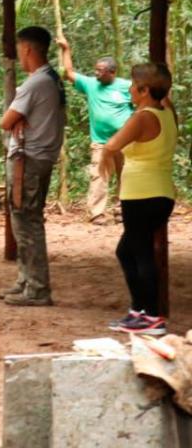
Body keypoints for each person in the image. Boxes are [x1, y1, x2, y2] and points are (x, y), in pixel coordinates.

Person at [101, 63, 176, 336]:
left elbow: (112, 144)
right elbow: (163, 92)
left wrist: (104, 161)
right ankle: (140, 311)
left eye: (134, 86)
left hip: (142, 193)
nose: (130, 89)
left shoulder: (143, 117)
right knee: (128, 251)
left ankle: (153, 316)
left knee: (140, 252)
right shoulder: (167, 112)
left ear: (145, 90)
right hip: (159, 192)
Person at [0, 26, 66, 307]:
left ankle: (37, 288)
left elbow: (5, 121)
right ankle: (26, 281)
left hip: (29, 161)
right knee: (24, 220)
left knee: (27, 223)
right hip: (40, 158)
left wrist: (15, 118)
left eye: (19, 50)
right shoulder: (52, 79)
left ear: (27, 49)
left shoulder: (36, 83)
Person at [56, 37, 133, 224]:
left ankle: (124, 211)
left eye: (100, 70)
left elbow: (142, 103)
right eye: (96, 70)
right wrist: (66, 48)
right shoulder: (91, 84)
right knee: (99, 175)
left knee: (127, 175)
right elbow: (68, 73)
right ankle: (97, 213)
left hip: (125, 141)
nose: (96, 73)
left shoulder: (127, 86)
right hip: (101, 142)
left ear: (112, 72)